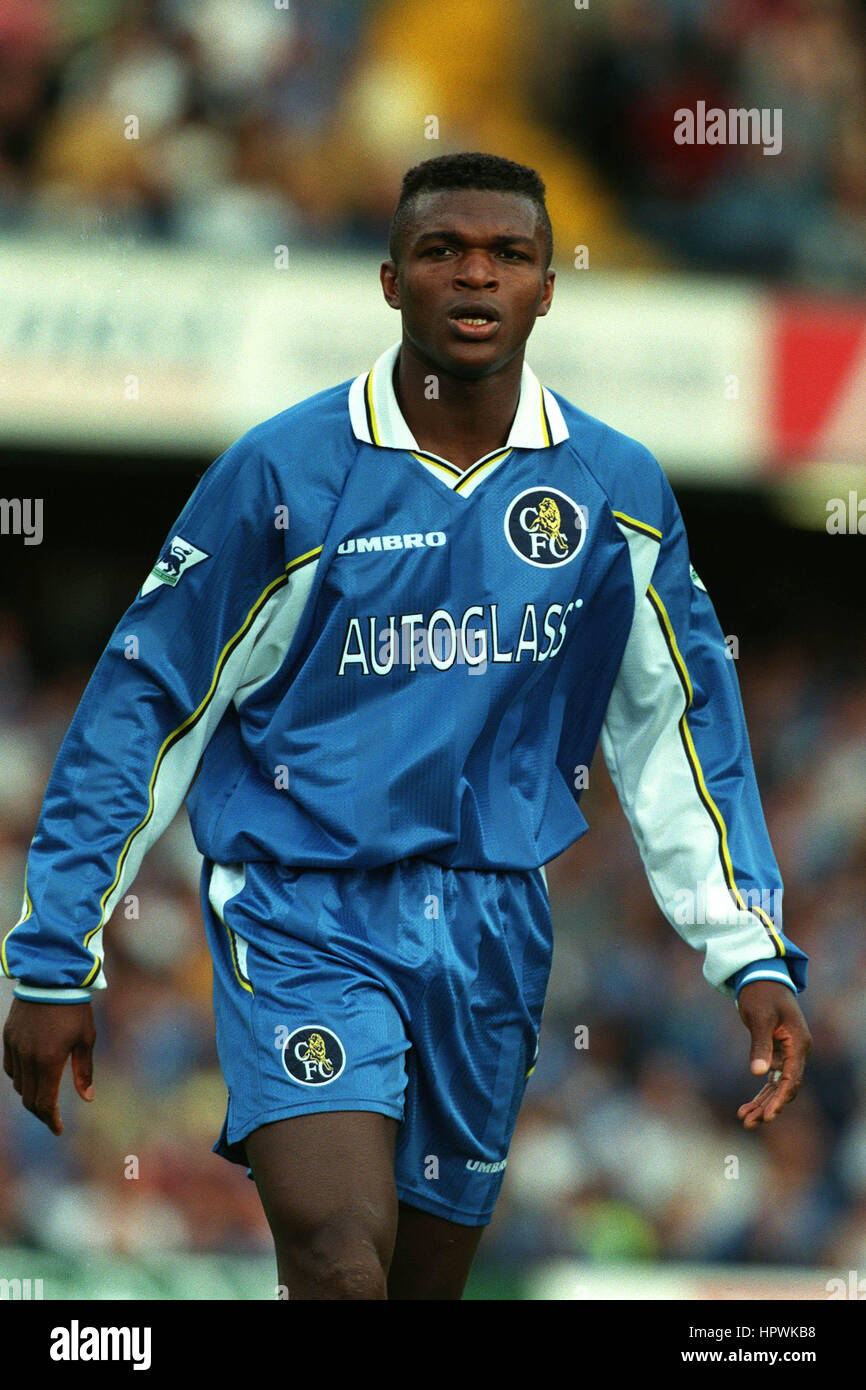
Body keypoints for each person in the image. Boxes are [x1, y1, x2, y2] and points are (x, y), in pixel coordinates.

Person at [2, 152, 811, 1300]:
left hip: (488, 930)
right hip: (301, 907)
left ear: (545, 288)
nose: (473, 276)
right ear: (389, 282)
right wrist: (53, 956)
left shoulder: (613, 491)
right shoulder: (283, 472)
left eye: (506, 255)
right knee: (338, 1263)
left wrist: (746, 951)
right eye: (441, 251)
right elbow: (145, 704)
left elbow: (674, 731)